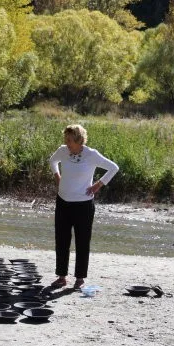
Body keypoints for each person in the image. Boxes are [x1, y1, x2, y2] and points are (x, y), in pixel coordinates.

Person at [49, 124, 119, 290]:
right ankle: (61, 277)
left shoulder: (91, 154)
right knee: (62, 240)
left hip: (83, 205)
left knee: (82, 241)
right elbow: (52, 161)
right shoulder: (62, 151)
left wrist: (98, 184)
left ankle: (79, 278)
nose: (66, 143)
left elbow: (113, 168)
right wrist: (57, 175)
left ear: (79, 140)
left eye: (70, 140)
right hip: (63, 202)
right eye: (65, 139)